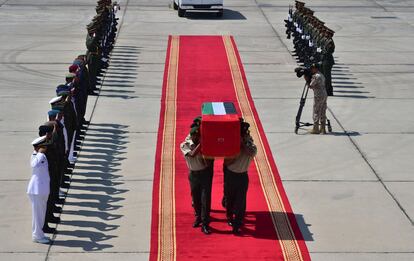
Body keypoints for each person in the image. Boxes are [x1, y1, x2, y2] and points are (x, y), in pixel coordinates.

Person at [223, 119, 257, 234]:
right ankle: (229, 216)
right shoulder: (232, 144)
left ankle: (237, 224)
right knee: (230, 199)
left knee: (241, 202)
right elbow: (226, 162)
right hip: (231, 175)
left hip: (242, 176)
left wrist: (243, 144)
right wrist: (236, 148)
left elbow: (252, 152)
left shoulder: (249, 144)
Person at [180, 124, 213, 235]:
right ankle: (198, 217)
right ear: (192, 135)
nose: (196, 137)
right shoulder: (184, 145)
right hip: (193, 175)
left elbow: (208, 163)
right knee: (196, 198)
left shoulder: (203, 146)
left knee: (205, 199)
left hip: (204, 174)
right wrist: (202, 144)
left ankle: (205, 223)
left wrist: (206, 152)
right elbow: (193, 154)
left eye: (198, 136)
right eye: (195, 135)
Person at [27, 136, 52, 244]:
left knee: (41, 215)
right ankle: (37, 235)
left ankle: (39, 234)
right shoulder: (37, 156)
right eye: (44, 147)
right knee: (38, 215)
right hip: (37, 190)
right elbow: (33, 165)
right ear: (39, 147)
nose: (46, 149)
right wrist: (40, 154)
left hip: (41, 190)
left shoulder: (40, 156)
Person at [305, 63, 328, 134]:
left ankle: (315, 128)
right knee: (323, 110)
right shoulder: (321, 74)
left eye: (312, 68)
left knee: (316, 111)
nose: (311, 69)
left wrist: (306, 79)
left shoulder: (316, 76)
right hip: (324, 94)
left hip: (318, 95)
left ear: (316, 68)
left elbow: (311, 86)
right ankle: (323, 128)